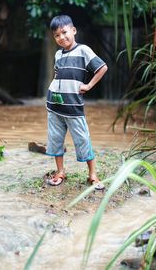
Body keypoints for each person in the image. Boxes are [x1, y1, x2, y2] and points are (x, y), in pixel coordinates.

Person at [46, 15, 108, 190]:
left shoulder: (83, 50)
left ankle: (93, 175)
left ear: (73, 30)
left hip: (73, 107)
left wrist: (88, 85)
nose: (61, 37)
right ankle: (60, 172)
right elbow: (58, 75)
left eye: (64, 32)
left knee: (82, 139)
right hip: (54, 106)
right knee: (56, 140)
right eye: (57, 35)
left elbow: (102, 67)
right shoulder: (58, 54)